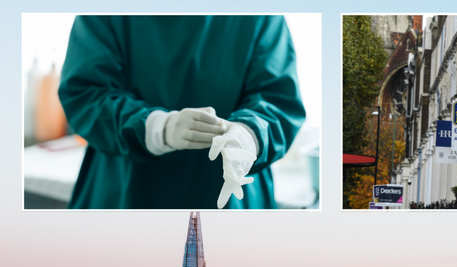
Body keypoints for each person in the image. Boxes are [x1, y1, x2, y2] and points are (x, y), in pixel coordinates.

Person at [59, 15, 306, 209]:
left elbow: (278, 99)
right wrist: (156, 128)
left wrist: (249, 134)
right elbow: (86, 92)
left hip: (230, 193)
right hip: (127, 192)